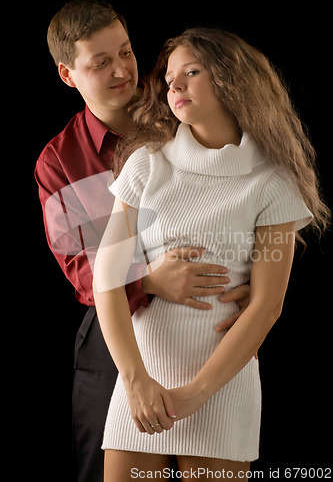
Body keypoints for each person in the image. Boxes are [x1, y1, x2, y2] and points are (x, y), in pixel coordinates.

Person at [93, 27, 330, 481]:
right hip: (140, 380)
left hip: (221, 385)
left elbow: (266, 305)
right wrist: (136, 380)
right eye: (169, 78)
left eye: (192, 72)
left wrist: (196, 393)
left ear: (231, 80)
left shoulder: (272, 181)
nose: (173, 85)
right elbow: (107, 275)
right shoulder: (146, 162)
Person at [34, 0, 250, 482]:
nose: (121, 70)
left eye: (126, 53)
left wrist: (255, 284)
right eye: (101, 62)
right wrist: (151, 281)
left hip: (205, 322)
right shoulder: (59, 162)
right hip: (117, 338)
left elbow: (248, 196)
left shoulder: (184, 109)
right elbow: (83, 270)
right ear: (69, 75)